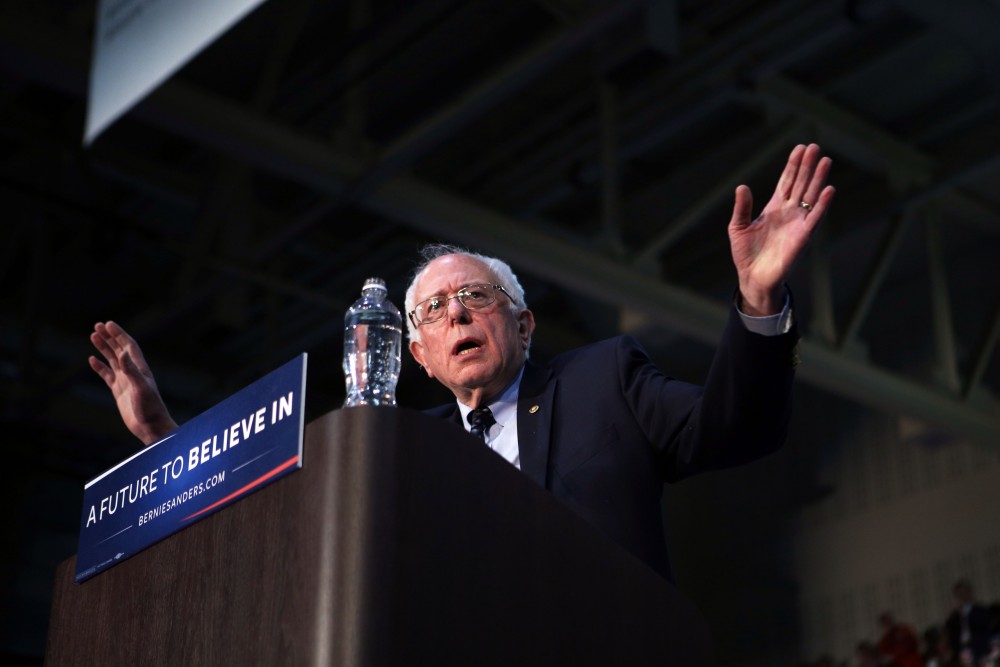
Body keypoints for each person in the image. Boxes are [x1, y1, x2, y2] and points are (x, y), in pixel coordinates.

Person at [89, 143, 834, 581]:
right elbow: (280, 531)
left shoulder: (606, 380)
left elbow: (737, 426)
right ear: (416, 355)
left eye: (474, 295)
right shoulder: (400, 451)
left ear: (523, 321)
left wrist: (759, 296)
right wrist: (163, 436)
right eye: (433, 312)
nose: (455, 314)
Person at [944, 578, 993, 663]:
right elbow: (950, 633)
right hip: (961, 651)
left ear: (969, 593)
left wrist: (964, 613)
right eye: (959, 594)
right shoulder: (954, 617)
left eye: (963, 593)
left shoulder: (980, 610)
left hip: (979, 648)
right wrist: (956, 613)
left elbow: (982, 627)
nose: (962, 596)